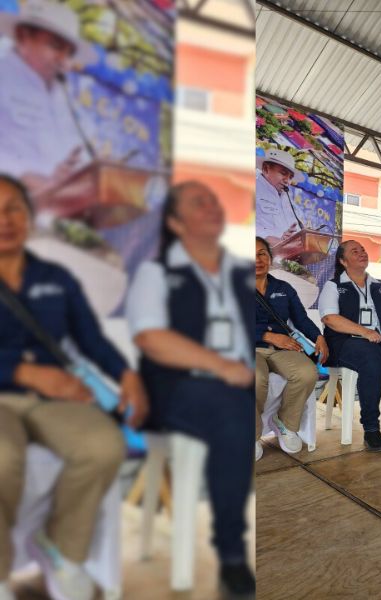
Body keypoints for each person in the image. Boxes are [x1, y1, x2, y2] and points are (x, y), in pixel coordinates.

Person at [0, 174, 147, 600]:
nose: (5, 219)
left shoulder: (55, 276)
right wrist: (23, 372)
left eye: (13, 208)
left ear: (29, 217)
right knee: (3, 458)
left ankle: (63, 548)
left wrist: (126, 374)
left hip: (54, 398)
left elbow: (90, 338)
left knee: (103, 446)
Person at [126, 181, 255, 598]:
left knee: (254, 397)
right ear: (176, 223)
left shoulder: (241, 273)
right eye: (199, 203)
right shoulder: (157, 273)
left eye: (213, 200)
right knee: (232, 413)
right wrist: (220, 366)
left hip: (238, 381)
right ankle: (232, 554)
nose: (213, 206)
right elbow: (151, 337)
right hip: (178, 386)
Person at [319, 239, 381, 452]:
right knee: (371, 358)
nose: (362, 253)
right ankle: (371, 428)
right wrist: (364, 332)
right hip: (345, 342)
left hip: (380, 339)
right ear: (343, 261)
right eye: (354, 251)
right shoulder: (334, 286)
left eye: (363, 250)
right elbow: (330, 318)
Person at [0, 1, 98, 193]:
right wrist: (24, 177)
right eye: (55, 46)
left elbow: (75, 157)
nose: (63, 60)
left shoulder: (66, 98)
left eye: (69, 53)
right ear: (22, 37)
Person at [255, 236, 327, 459]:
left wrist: (318, 337)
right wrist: (268, 335)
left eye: (262, 254)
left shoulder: (283, 288)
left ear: (270, 258)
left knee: (307, 372)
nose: (257, 260)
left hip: (282, 349)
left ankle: (285, 423)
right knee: (254, 378)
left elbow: (301, 319)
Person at [256, 147, 304, 243]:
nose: (287, 181)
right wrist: (276, 241)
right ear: (266, 169)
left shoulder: (288, 200)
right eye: (283, 173)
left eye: (290, 177)